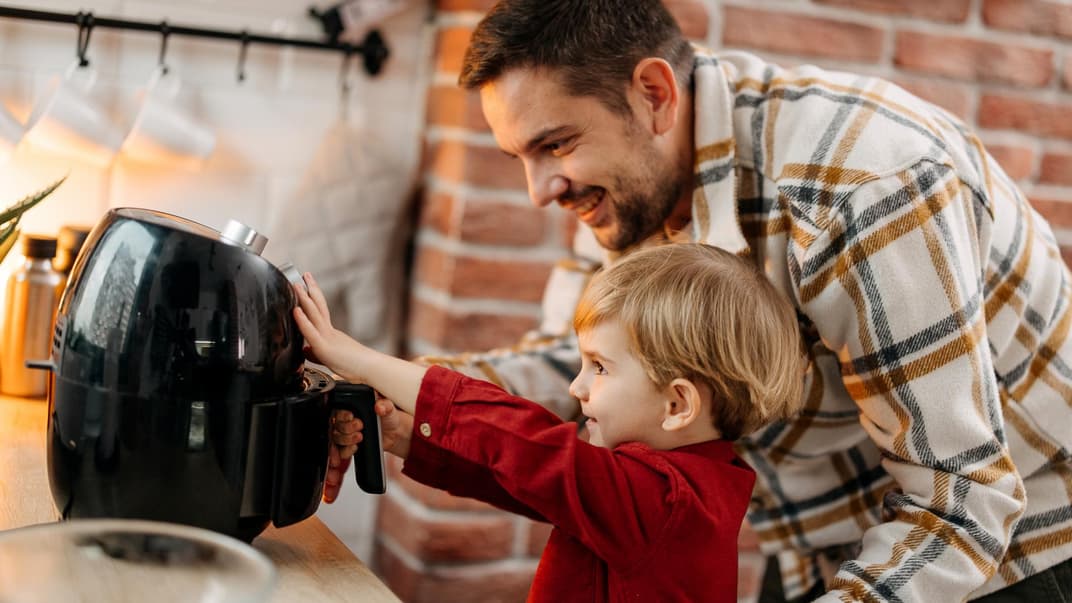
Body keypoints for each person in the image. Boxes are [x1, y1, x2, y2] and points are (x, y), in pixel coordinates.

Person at [325, 0, 1072, 601]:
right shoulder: (629, 187)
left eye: (554, 144)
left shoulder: (860, 191)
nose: (538, 191)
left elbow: (960, 500)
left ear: (654, 94)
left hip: (1013, 544)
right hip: (825, 527)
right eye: (520, 156)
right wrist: (387, 399)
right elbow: (570, 369)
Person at [295, 242, 806, 601]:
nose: (576, 387)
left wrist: (354, 357)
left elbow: (530, 448)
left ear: (677, 406)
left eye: (600, 367)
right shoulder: (670, 488)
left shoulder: (668, 503)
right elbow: (528, 481)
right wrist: (403, 435)